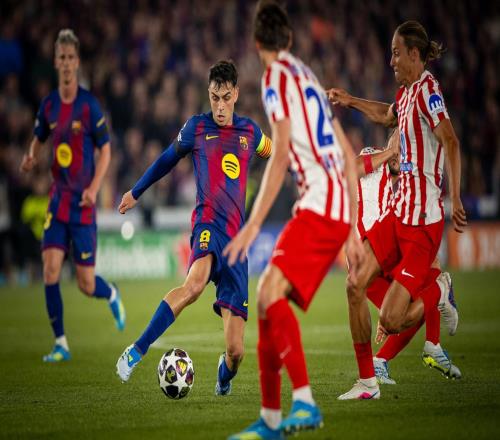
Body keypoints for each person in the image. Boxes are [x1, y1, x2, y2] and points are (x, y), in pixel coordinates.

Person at [224, 2, 363, 438]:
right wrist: (353, 228)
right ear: (288, 39)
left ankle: (304, 402)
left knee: (268, 292)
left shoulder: (274, 79)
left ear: (256, 43)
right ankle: (270, 419)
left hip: (320, 203)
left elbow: (280, 153)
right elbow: (348, 156)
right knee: (267, 297)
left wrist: (252, 224)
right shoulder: (308, 77)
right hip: (331, 206)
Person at [327, 20, 467, 399]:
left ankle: (439, 290)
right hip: (398, 215)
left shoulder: (428, 91)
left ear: (414, 55)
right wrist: (350, 100)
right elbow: (385, 115)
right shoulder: (405, 96)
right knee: (354, 282)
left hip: (422, 224)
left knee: (391, 319)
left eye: (395, 53)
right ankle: (367, 382)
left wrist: (455, 197)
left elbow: (450, 141)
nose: (391, 61)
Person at [115, 60, 272, 397]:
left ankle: (223, 377)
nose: (219, 106)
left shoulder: (251, 132)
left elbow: (275, 153)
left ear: (236, 95)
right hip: (207, 225)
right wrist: (136, 192)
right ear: (209, 95)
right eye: (214, 98)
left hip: (237, 242)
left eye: (225, 98)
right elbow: (166, 160)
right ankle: (136, 350)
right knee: (194, 285)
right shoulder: (196, 128)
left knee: (236, 352)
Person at [19, 29, 125, 362]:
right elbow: (39, 136)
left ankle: (112, 294)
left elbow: (106, 151)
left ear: (77, 62)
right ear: (56, 62)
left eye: (70, 58)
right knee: (50, 269)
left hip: (83, 204)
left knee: (86, 284)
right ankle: (61, 343)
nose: (65, 63)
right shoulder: (49, 104)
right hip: (58, 200)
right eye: (61, 57)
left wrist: (94, 188)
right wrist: (31, 155)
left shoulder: (89, 106)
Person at [355, 132, 461, 384]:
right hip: (365, 261)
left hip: (386, 255)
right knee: (404, 313)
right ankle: (440, 292)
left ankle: (423, 347)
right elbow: (355, 167)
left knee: (417, 300)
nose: (399, 155)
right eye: (397, 146)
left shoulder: (397, 190)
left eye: (403, 152)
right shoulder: (374, 156)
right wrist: (390, 152)